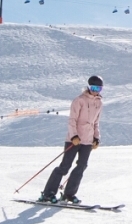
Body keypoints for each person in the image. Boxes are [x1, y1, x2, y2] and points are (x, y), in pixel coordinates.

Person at [40, 75, 103, 204]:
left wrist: (96, 138)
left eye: (98, 88)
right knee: (64, 167)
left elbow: (96, 123)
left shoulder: (99, 103)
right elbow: (72, 120)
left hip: (87, 141)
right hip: (74, 139)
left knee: (81, 166)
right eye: (93, 87)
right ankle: (48, 193)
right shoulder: (79, 100)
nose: (95, 90)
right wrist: (74, 136)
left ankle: (69, 194)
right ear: (88, 87)